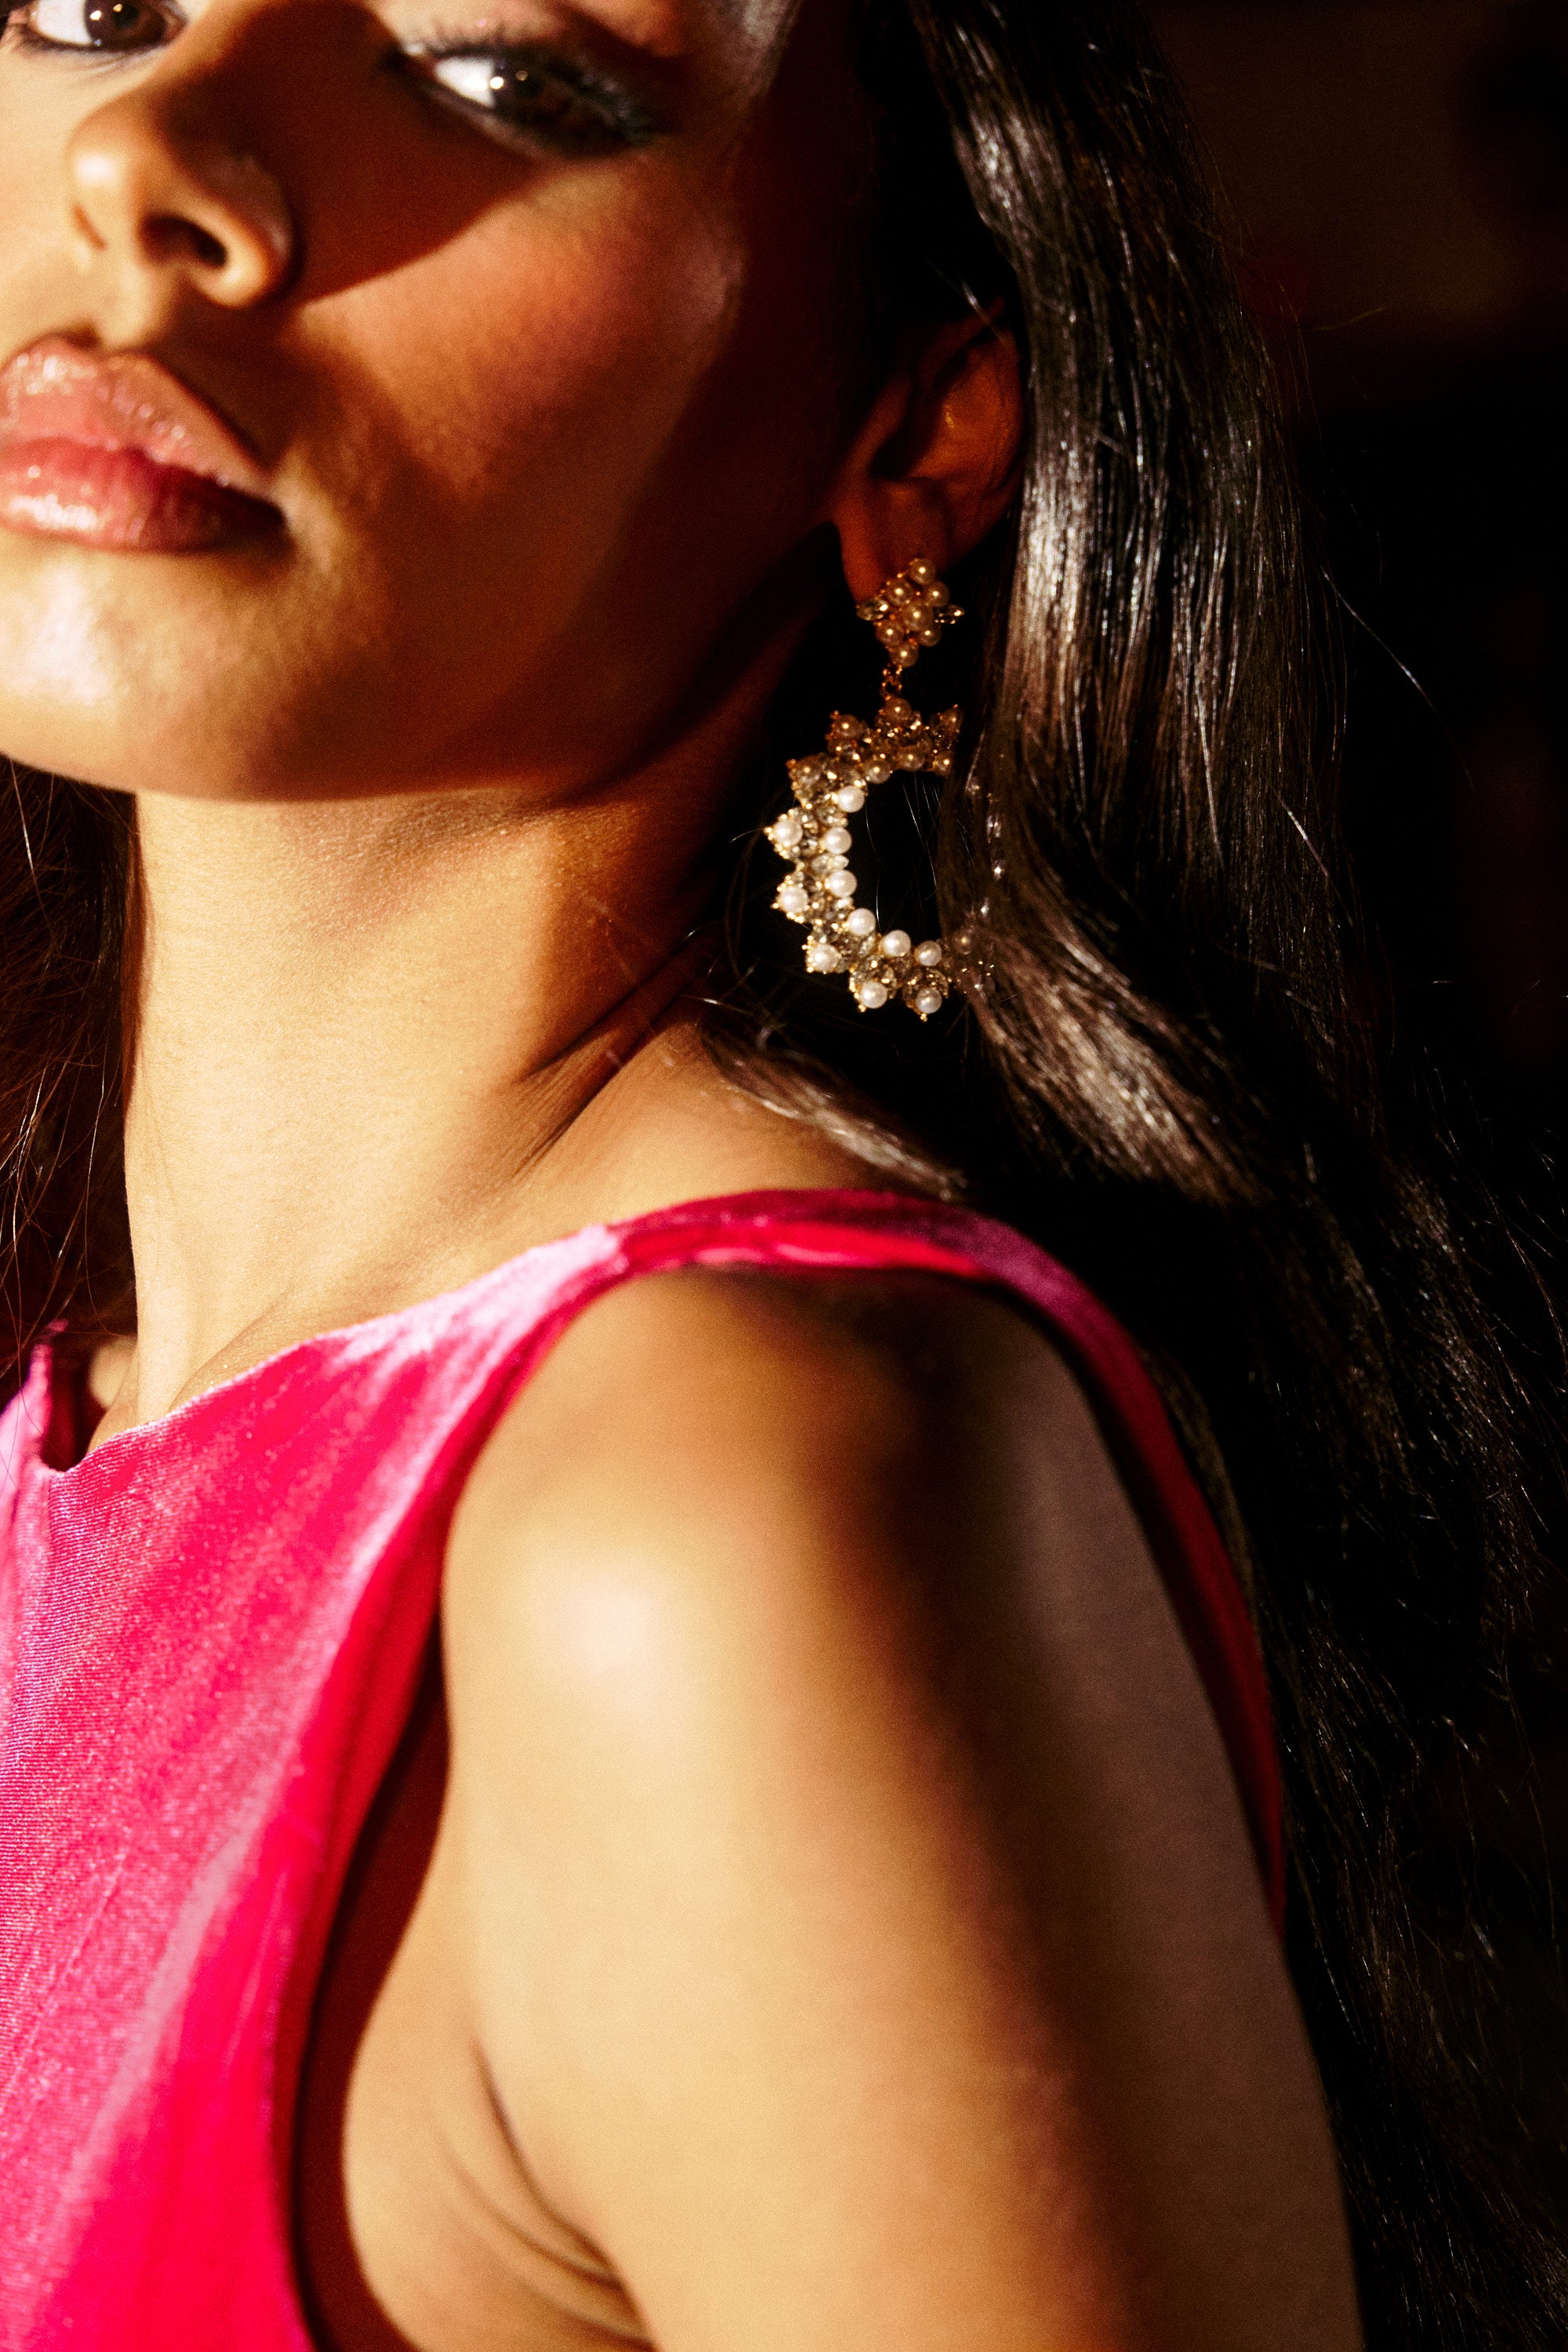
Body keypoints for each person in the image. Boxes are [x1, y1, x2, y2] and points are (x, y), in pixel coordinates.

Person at [0, 0, 1558, 2344]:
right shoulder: (75, 1419)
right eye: (95, 0)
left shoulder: (732, 1520)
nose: (151, 153)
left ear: (917, 420)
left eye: (507, 73)